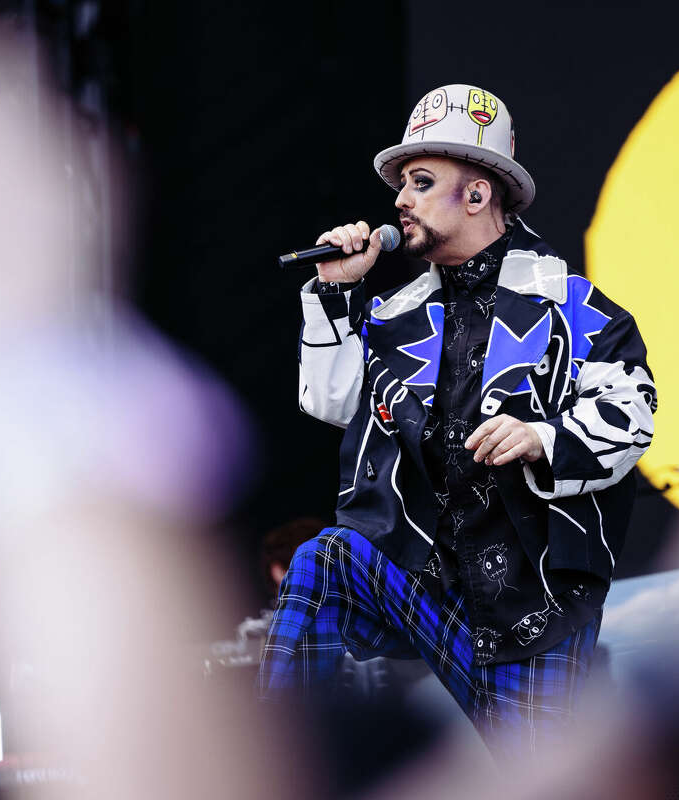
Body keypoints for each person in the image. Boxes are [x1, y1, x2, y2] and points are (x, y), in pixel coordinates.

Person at [258, 84, 657, 761]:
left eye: (420, 182)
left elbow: (634, 412)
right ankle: (268, 769)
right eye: (402, 185)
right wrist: (333, 290)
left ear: (476, 196)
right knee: (324, 561)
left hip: (533, 613)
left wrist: (544, 438)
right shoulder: (395, 315)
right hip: (429, 591)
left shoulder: (571, 306)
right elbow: (330, 401)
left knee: (538, 778)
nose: (399, 201)